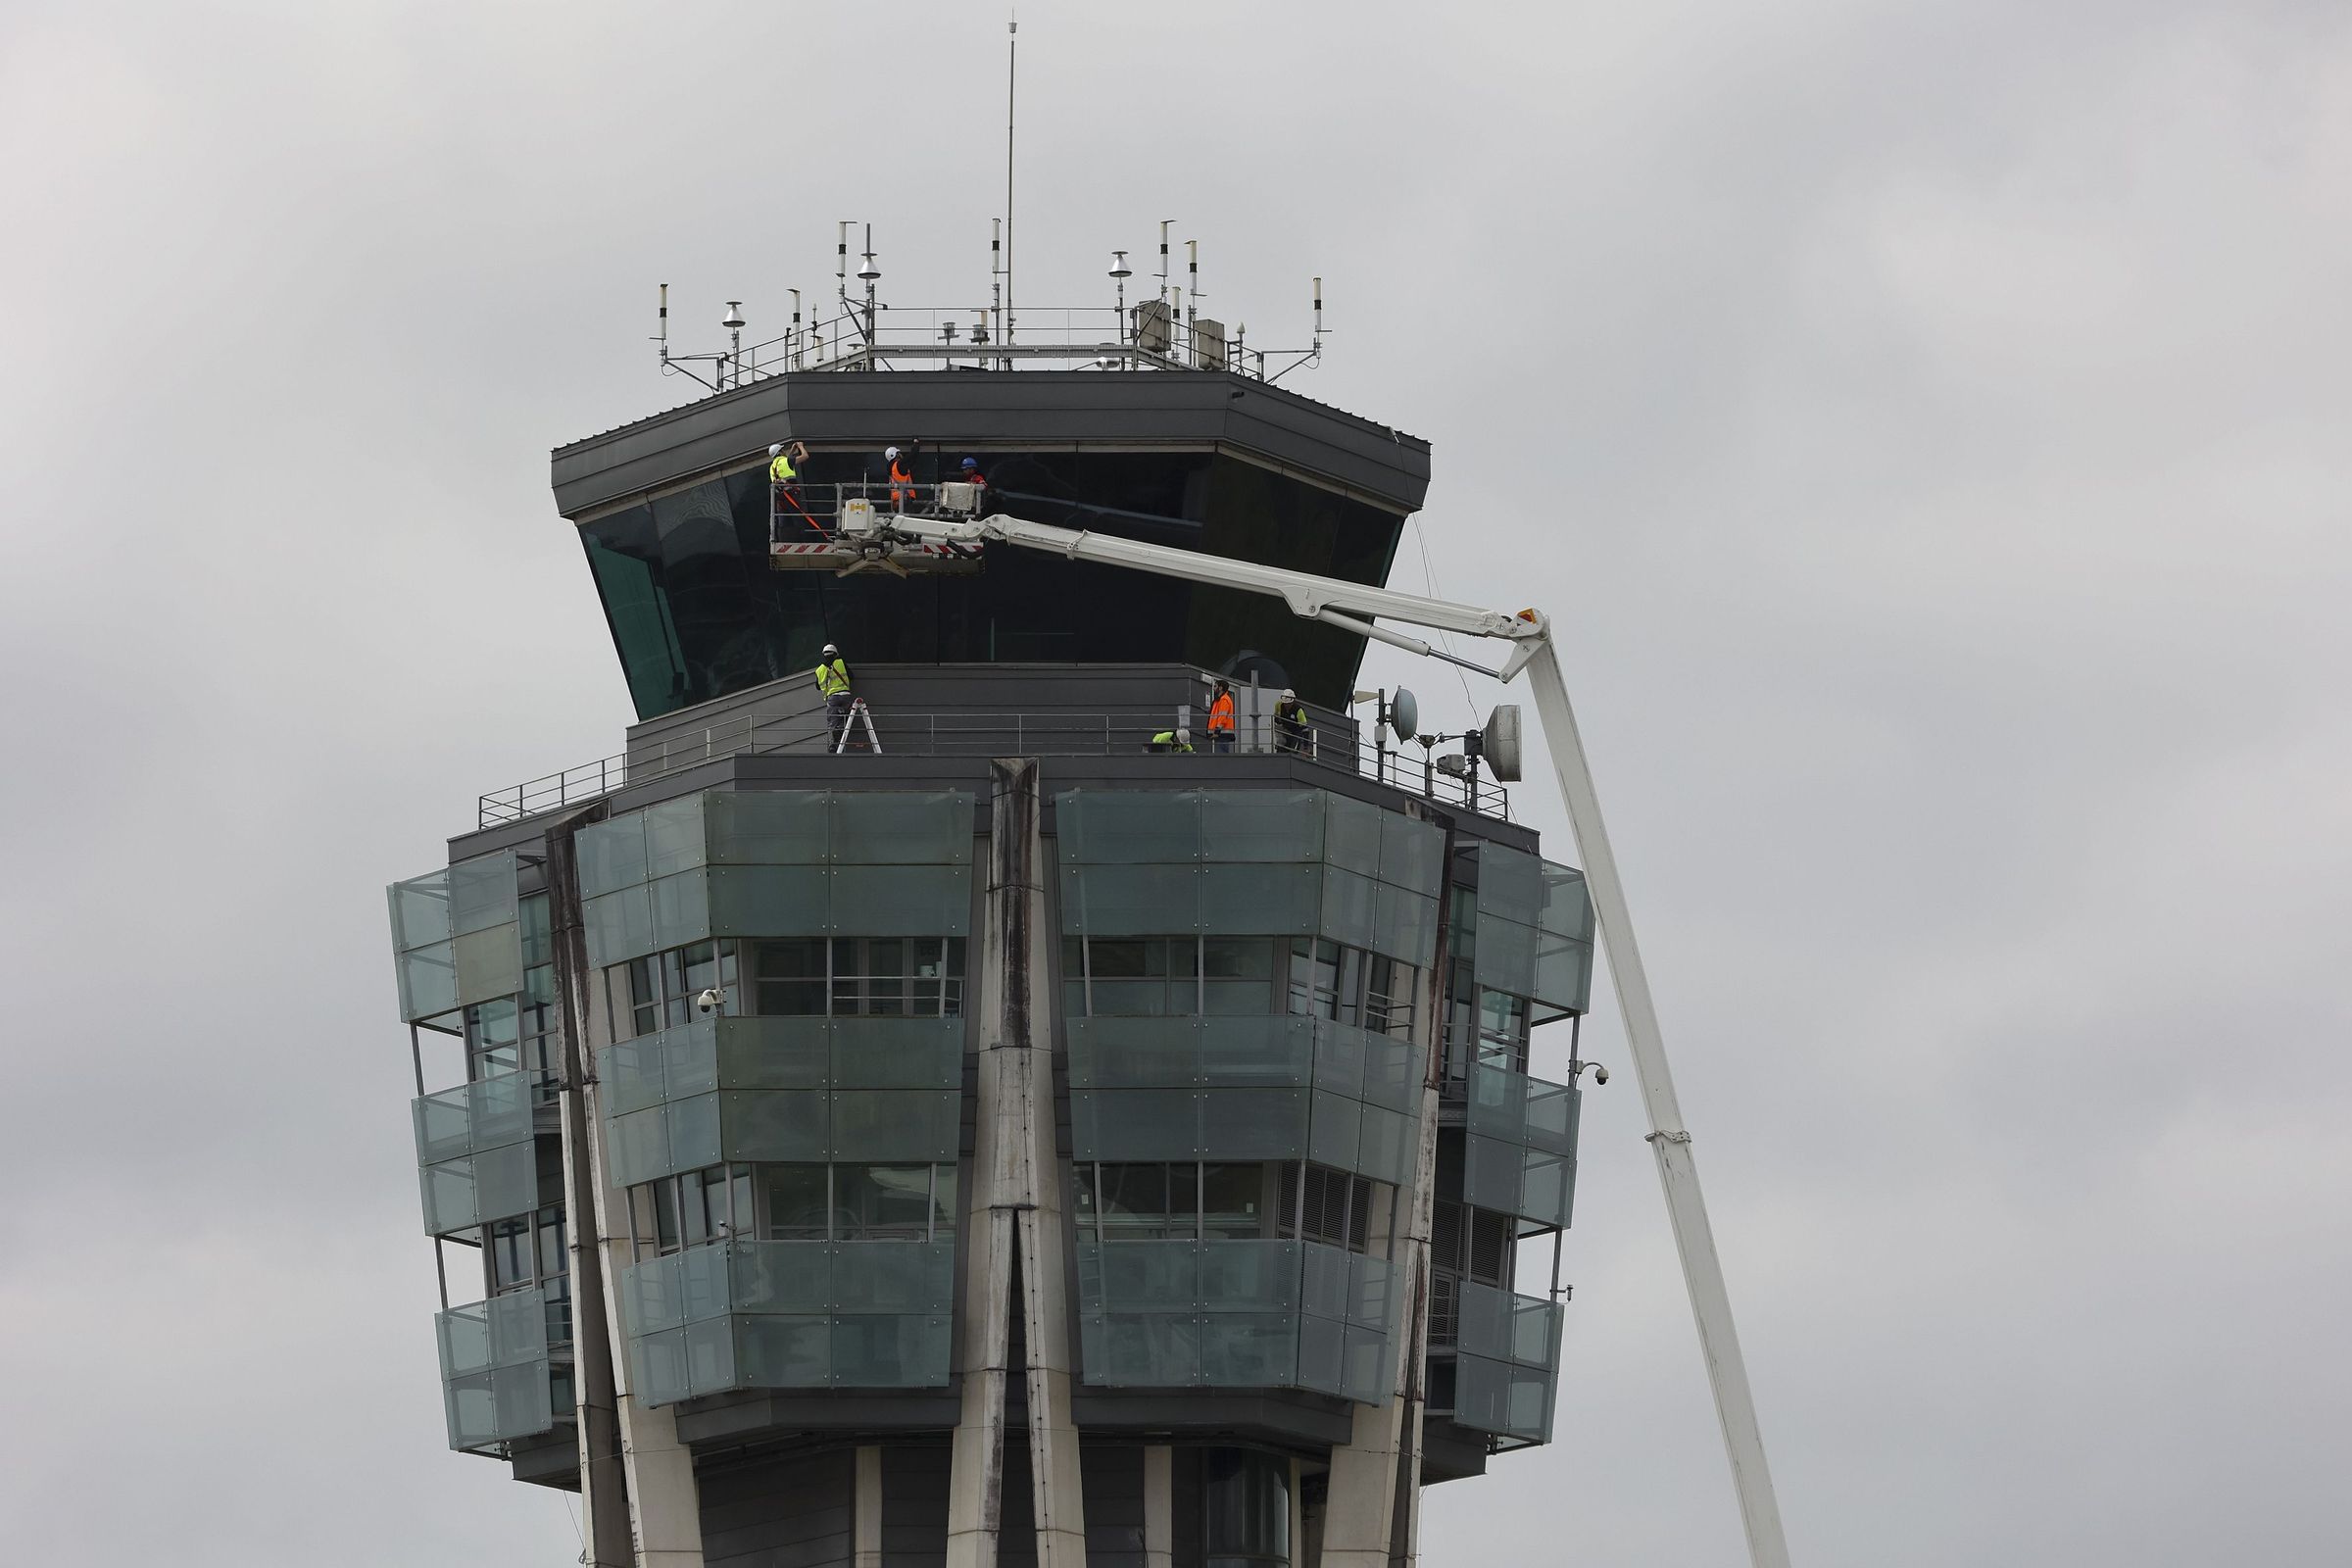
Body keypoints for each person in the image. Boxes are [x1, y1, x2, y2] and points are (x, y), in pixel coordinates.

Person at [814, 643, 855, 750]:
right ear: (835, 654)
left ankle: (833, 744)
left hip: (832, 697)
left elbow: (818, 686)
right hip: (845, 695)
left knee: (832, 721)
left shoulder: (820, 669)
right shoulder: (841, 663)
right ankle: (841, 732)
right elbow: (852, 676)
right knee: (845, 718)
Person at [1273, 688, 1310, 757]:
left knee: (1293, 753)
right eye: (1285, 704)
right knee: (1280, 751)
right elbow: (1276, 718)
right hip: (1285, 731)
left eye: (1288, 704)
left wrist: (1306, 747)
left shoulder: (1299, 710)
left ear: (1292, 702)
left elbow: (1305, 729)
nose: (1286, 705)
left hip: (1296, 733)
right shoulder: (1278, 705)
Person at [1205, 678, 1236, 754]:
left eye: (1215, 686)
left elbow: (1222, 716)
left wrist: (1217, 731)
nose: (1213, 688)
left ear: (1220, 688)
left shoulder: (1223, 700)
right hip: (1221, 733)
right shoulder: (1220, 700)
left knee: (1222, 754)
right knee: (1221, 754)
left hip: (1222, 732)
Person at [886, 445, 915, 511]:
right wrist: (916, 443)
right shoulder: (899, 465)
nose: (900, 454)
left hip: (895, 499)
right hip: (904, 498)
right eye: (898, 453)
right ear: (895, 455)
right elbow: (912, 456)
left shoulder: (890, 468)